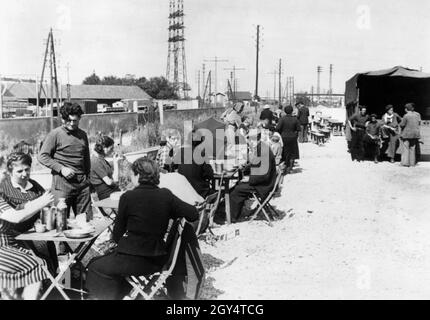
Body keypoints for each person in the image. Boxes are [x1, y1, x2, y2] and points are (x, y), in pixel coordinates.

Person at [86, 157, 198, 300]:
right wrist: (171, 211)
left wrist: (115, 244)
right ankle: (119, 292)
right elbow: (193, 214)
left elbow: (117, 233)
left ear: (138, 175)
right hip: (157, 259)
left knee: (95, 266)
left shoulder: (128, 197)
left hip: (134, 260)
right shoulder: (166, 195)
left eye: (132, 175)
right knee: (103, 263)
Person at [0, 152, 58, 274]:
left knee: (50, 248)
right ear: (10, 172)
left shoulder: (34, 185)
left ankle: (55, 278)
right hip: (16, 235)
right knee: (40, 257)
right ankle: (47, 280)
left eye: (27, 169)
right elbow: (14, 215)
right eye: (19, 171)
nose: (24, 174)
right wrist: (37, 204)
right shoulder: (3, 189)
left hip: (37, 231)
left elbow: (48, 205)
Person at [38, 102, 92, 218]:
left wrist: (88, 179)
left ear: (79, 119)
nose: (72, 123)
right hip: (62, 185)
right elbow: (42, 156)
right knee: (61, 222)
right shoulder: (55, 134)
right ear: (62, 119)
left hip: (82, 185)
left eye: (75, 121)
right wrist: (61, 169)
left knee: (86, 221)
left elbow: (86, 158)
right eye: (69, 120)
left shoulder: (83, 135)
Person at [0, 188, 54, 300]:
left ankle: (13, 295)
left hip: (8, 243)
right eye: (4, 173)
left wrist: (38, 201)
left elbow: (16, 210)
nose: (5, 177)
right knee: (36, 264)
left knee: (41, 259)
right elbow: (16, 217)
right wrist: (41, 203)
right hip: (2, 247)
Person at [229, 132, 277, 222]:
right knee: (239, 185)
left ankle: (232, 217)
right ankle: (237, 212)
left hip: (264, 185)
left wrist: (250, 179)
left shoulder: (263, 151)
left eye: (249, 139)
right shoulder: (261, 147)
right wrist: (245, 166)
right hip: (264, 181)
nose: (248, 142)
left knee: (235, 190)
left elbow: (264, 175)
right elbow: (256, 163)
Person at [172, 131, 214, 198]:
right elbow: (210, 174)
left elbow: (172, 167)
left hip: (183, 192)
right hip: (200, 193)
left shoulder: (181, 152)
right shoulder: (201, 153)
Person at [90, 135, 121, 200]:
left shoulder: (102, 159)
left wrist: (115, 162)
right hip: (107, 193)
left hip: (113, 190)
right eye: (111, 148)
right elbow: (109, 182)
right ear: (104, 147)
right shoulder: (95, 161)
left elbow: (114, 177)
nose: (113, 150)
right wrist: (115, 182)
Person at [275, 105, 301, 174]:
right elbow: (298, 129)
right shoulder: (295, 119)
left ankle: (285, 167)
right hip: (293, 137)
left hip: (284, 137)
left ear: (285, 111)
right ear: (292, 111)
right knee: (292, 153)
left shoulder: (282, 119)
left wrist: (281, 133)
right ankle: (291, 168)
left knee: (285, 152)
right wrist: (295, 135)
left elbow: (277, 128)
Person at [399, 103, 421, 167]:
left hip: (407, 134)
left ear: (406, 109)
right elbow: (419, 123)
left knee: (406, 148)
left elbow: (402, 125)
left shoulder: (406, 116)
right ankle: (412, 163)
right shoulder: (417, 114)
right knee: (412, 148)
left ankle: (405, 163)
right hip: (415, 134)